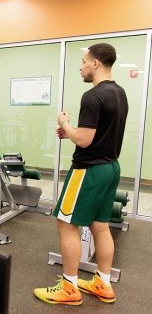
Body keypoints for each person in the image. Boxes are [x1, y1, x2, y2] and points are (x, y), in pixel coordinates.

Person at [34, 43, 128, 305]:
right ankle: (103, 283)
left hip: (88, 170)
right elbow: (98, 134)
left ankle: (69, 288)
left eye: (84, 61)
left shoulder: (92, 96)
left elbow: (85, 141)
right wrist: (72, 132)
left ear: (96, 63)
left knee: (66, 223)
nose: (81, 66)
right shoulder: (119, 93)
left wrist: (63, 122)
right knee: (100, 225)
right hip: (111, 167)